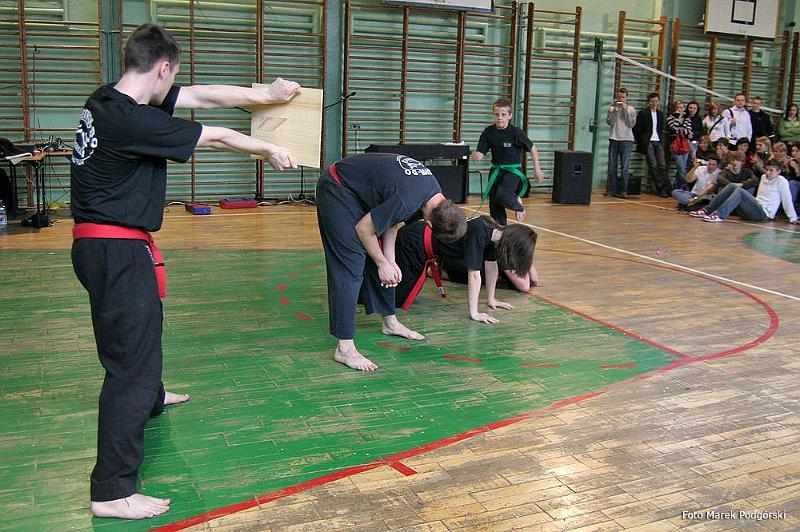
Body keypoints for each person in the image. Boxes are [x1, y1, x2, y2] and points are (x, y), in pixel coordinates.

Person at [70, 24, 301, 520]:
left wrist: (266, 94)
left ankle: (152, 397)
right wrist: (269, 149)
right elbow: (214, 136)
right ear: (162, 68)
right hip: (116, 251)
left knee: (142, 336)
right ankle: (111, 490)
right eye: (173, 75)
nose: (177, 86)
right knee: (128, 368)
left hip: (107, 246)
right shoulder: (132, 122)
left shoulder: (108, 99)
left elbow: (201, 95)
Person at [315, 153, 467, 372]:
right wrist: (381, 263)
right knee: (350, 263)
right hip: (337, 186)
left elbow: (392, 223)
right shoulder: (409, 199)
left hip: (359, 191)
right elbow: (364, 229)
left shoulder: (434, 196)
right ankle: (344, 348)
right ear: (430, 226)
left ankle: (390, 322)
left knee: (382, 259)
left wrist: (389, 261)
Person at [394, 217, 537, 324]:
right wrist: (474, 313)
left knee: (403, 294)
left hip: (421, 243)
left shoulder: (494, 236)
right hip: (412, 241)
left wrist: (491, 299)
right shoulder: (479, 231)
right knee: (398, 299)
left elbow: (491, 267)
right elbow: (474, 275)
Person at [472, 98, 545, 225]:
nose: (500, 118)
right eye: (496, 114)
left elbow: (532, 148)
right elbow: (481, 152)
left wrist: (537, 169)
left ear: (509, 116)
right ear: (493, 115)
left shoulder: (515, 132)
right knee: (494, 203)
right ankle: (501, 229)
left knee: (502, 195)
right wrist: (478, 155)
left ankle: (517, 204)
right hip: (496, 170)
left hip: (513, 171)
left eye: (503, 115)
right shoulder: (488, 132)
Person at [691, 159, 798, 224]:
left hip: (763, 214)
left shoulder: (781, 181)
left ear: (778, 172)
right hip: (753, 209)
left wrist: (792, 218)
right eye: (767, 169)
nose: (768, 173)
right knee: (732, 186)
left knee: (740, 191)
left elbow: (787, 200)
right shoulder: (763, 177)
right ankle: (707, 210)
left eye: (771, 170)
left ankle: (719, 215)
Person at [633, 92, 670, 197]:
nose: (654, 103)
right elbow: (638, 129)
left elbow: (661, 128)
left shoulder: (660, 114)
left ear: (659, 102)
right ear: (648, 102)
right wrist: (640, 140)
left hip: (658, 141)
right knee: (653, 165)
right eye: (652, 101)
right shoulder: (643, 113)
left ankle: (667, 187)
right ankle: (660, 188)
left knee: (662, 164)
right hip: (648, 141)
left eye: (656, 101)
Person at [605, 87, 637, 198]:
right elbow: (610, 122)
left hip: (626, 140)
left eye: (623, 97)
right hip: (614, 138)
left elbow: (631, 124)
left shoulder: (631, 109)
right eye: (619, 97)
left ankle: (623, 190)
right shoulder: (612, 108)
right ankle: (612, 189)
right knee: (612, 166)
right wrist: (614, 111)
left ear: (626, 98)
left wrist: (625, 110)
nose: (621, 99)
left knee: (624, 167)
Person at [666, 100, 693, 190]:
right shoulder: (670, 118)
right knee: (681, 167)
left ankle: (678, 185)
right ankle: (683, 186)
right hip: (675, 145)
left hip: (685, 144)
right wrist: (677, 118)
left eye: (681, 108)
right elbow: (673, 128)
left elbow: (688, 131)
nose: (680, 110)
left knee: (683, 167)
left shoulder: (687, 118)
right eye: (678, 108)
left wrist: (680, 129)